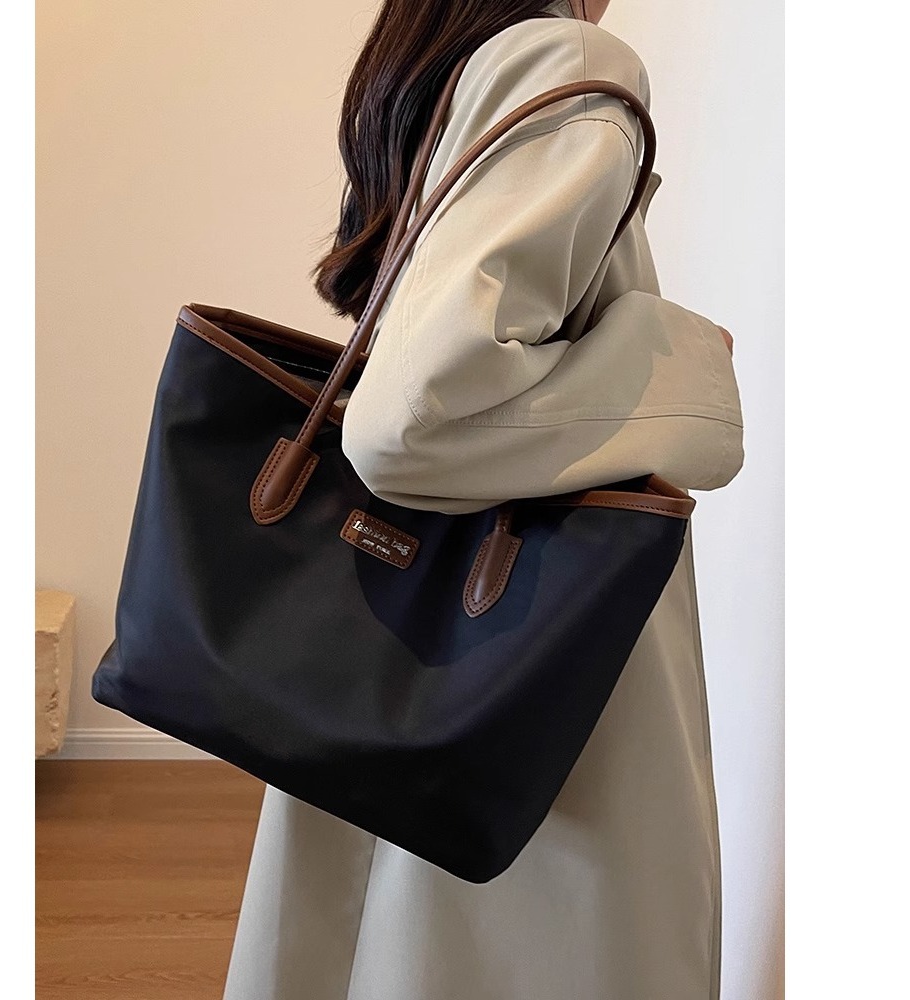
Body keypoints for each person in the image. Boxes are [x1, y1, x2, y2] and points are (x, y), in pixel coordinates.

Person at [222, 1, 744, 997]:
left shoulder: (450, 62)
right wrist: (678, 365)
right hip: (532, 644)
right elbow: (407, 423)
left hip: (414, 637)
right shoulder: (570, 63)